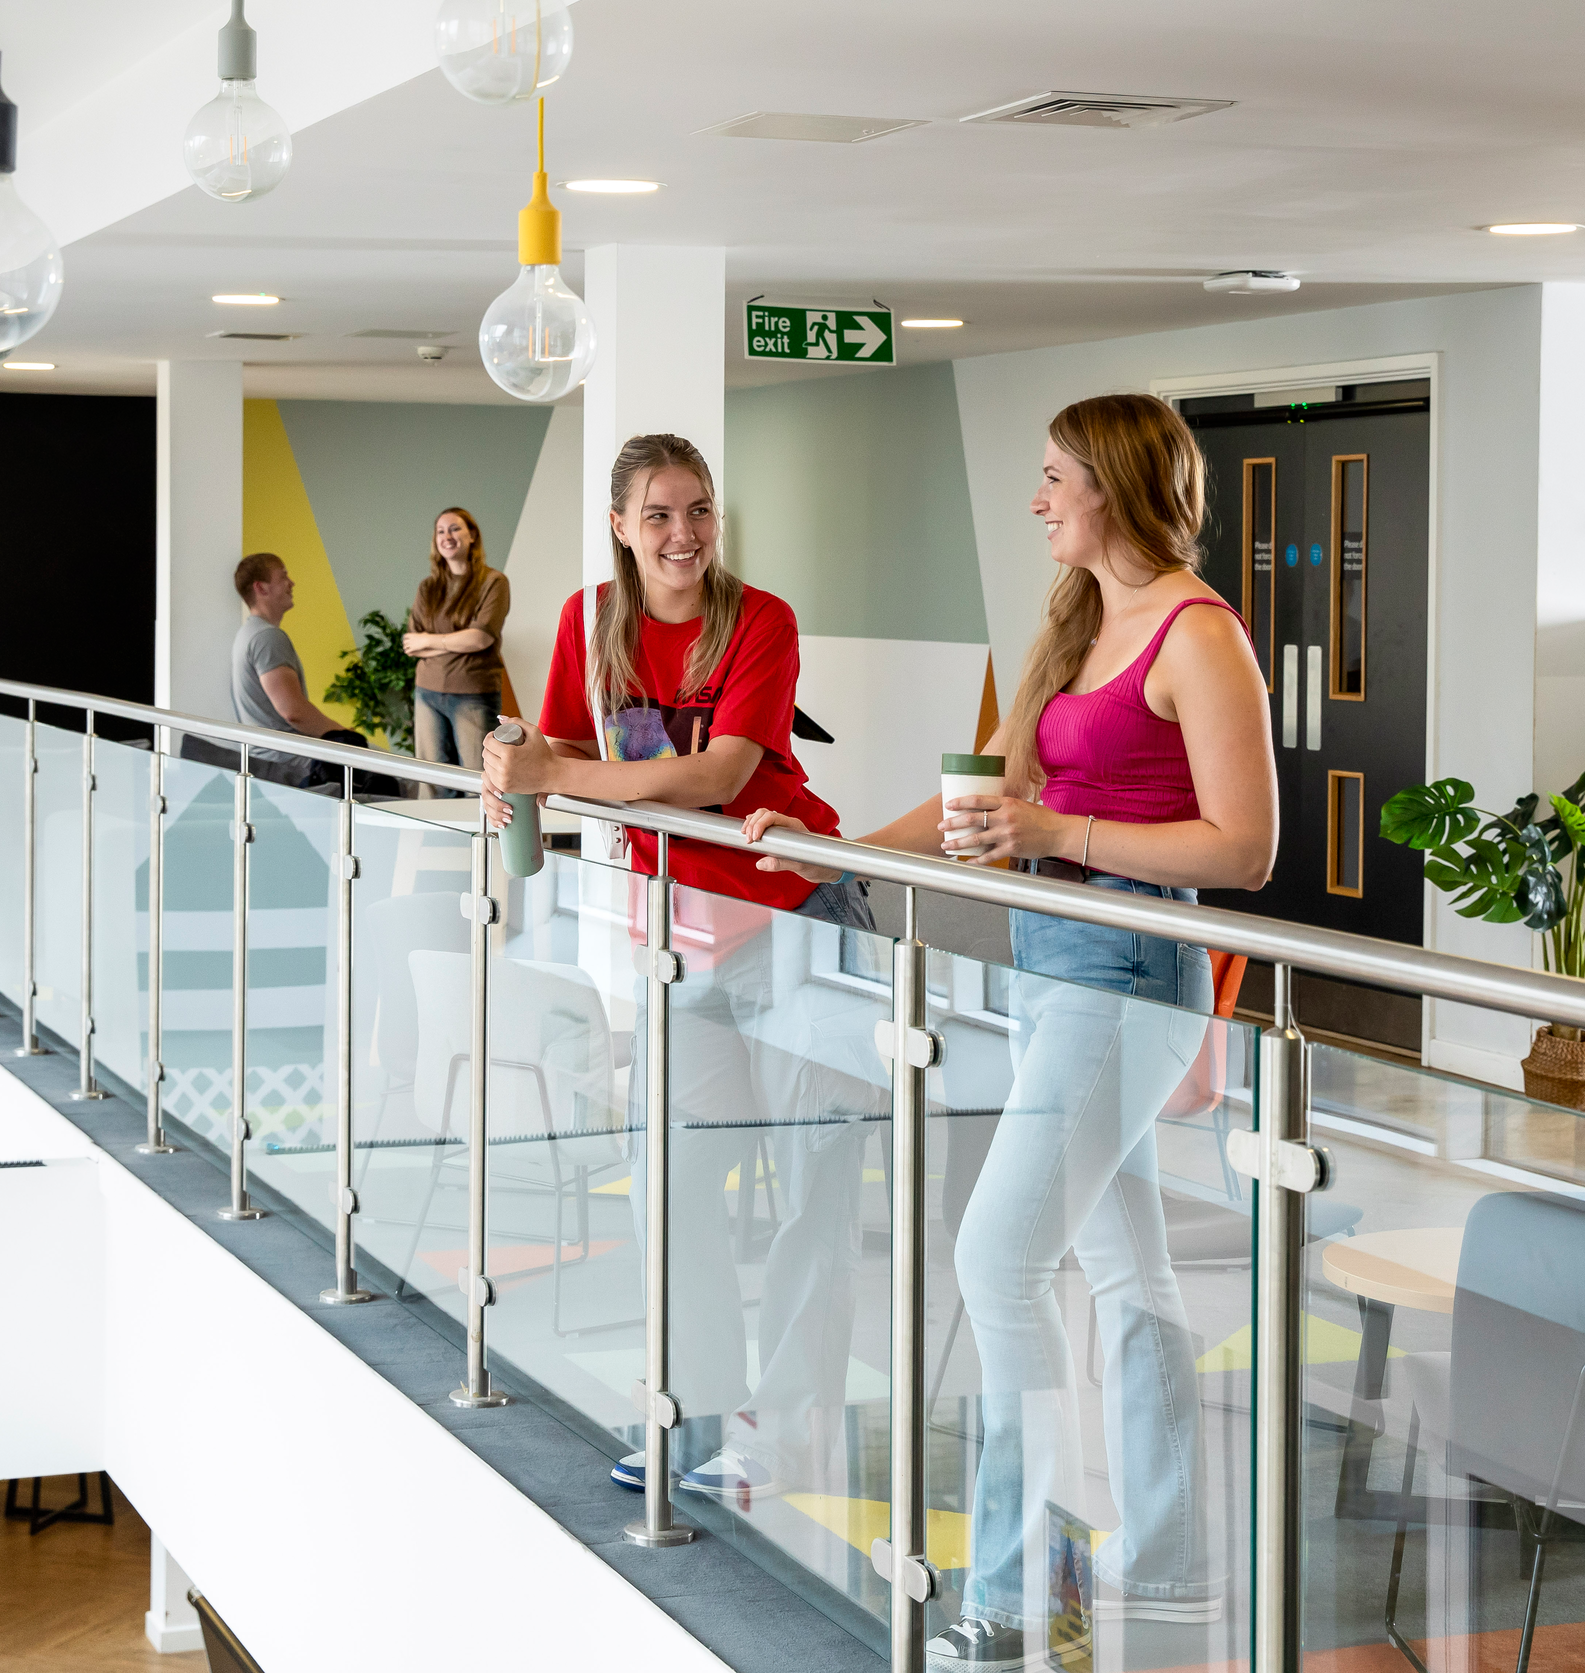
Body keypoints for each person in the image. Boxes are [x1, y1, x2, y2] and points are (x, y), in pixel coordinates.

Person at [743, 392, 1276, 1667]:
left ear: (1113, 483)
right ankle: (1166, 1571)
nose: (1036, 499)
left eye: (1053, 478)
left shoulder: (1201, 636)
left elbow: (1246, 849)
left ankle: (1029, 1578)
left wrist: (1057, 836)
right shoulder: (1078, 622)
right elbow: (990, 794)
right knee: (1132, 1283)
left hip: (1134, 971)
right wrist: (840, 854)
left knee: (997, 1264)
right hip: (1050, 969)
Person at [481, 432, 874, 1505]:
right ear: (620, 525)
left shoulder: (760, 621)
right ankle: (692, 1417)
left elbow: (723, 776)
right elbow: (556, 762)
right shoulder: (585, 623)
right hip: (683, 940)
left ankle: (787, 1438)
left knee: (812, 1198)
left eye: (698, 511)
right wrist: (518, 767)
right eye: (657, 514)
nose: (682, 534)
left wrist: (566, 768)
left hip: (802, 923)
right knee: (680, 1187)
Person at [403, 507, 510, 782]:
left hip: (472, 694)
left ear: (472, 535)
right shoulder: (428, 587)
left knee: (477, 779)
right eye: (441, 531)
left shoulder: (493, 582)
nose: (447, 536)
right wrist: (457, 641)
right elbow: (412, 644)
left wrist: (430, 640)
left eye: (455, 528)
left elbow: (480, 638)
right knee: (431, 780)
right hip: (426, 692)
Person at [231, 552, 355, 739]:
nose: (291, 583)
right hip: (288, 760)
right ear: (261, 588)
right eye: (283, 577)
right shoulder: (268, 637)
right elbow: (294, 712)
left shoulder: (249, 633)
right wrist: (343, 736)